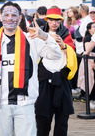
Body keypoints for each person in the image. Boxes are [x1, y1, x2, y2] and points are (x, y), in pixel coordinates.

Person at [0, 1, 62, 136]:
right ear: (0, 17)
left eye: (14, 15)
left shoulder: (32, 39)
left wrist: (46, 36)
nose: (10, 18)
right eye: (6, 14)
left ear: (19, 18)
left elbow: (56, 54)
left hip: (25, 102)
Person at [35, 7, 77, 136]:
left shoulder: (65, 33)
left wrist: (64, 46)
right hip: (44, 80)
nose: (54, 23)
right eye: (51, 20)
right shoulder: (40, 34)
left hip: (61, 79)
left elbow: (72, 54)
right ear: (47, 20)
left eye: (57, 21)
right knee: (42, 118)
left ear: (61, 21)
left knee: (62, 118)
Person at [76, 22, 95, 107]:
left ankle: (94, 99)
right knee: (91, 81)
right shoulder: (87, 38)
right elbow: (88, 51)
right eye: (94, 27)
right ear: (89, 29)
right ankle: (90, 100)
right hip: (90, 61)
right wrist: (92, 62)